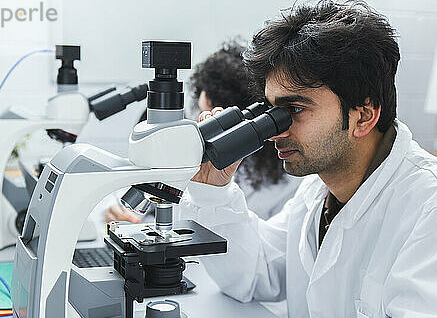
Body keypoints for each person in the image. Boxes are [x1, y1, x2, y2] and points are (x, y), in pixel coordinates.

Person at [98, 0, 437, 318]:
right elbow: (255, 275)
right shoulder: (319, 191)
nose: (277, 128)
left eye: (293, 110)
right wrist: (215, 192)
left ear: (363, 114)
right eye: (270, 109)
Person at [104, 41, 301, 223]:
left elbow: (260, 248)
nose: (200, 121)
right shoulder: (193, 148)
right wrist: (120, 212)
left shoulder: (289, 181)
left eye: (205, 114)